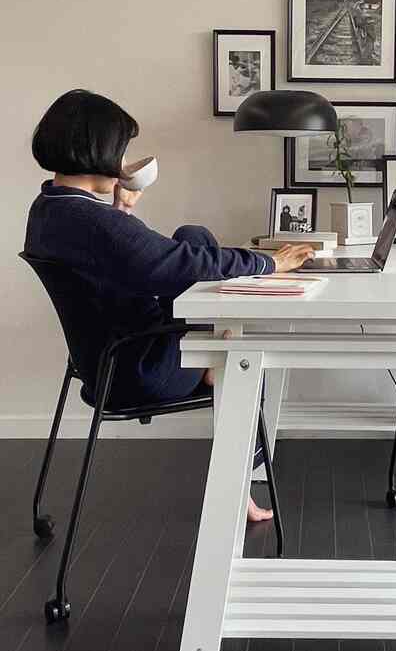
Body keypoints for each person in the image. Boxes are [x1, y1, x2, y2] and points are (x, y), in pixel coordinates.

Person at [25, 90, 314, 523]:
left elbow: (123, 263)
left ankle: (219, 347)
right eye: (119, 150)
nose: (123, 162)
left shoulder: (51, 206)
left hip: (103, 360)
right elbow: (175, 266)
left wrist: (121, 209)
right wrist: (270, 262)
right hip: (138, 368)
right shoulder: (89, 220)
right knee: (244, 354)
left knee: (193, 234)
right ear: (97, 151)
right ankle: (239, 463)